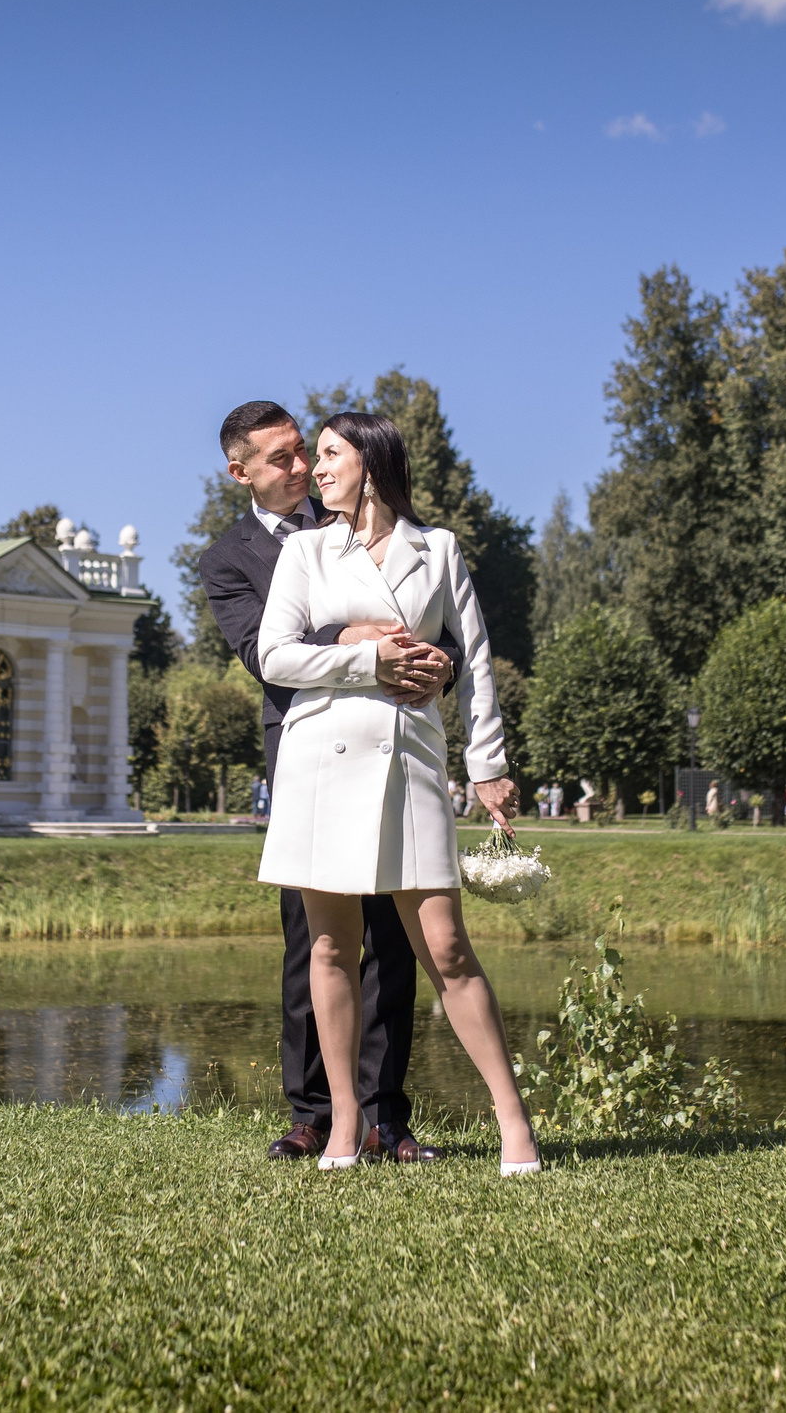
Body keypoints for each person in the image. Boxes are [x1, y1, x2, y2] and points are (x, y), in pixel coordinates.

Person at [257, 410, 540, 1175]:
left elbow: (475, 661)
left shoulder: (437, 549)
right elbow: (274, 655)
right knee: (328, 946)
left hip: (412, 758)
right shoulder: (308, 550)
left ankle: (513, 1121)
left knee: (446, 944)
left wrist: (487, 766)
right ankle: (345, 1117)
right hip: (321, 758)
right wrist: (368, 660)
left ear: (371, 465)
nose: (315, 469)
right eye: (316, 456)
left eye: (329, 455)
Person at [198, 400, 457, 1164]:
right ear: (238, 471)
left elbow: (436, 615)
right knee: (312, 941)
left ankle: (386, 1118)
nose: (302, 467)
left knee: (393, 938)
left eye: (301, 452)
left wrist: (443, 661)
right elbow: (259, 648)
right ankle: (312, 1112)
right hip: (308, 757)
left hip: (393, 746)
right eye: (279, 458)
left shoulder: (362, 518)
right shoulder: (229, 558)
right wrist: (348, 637)